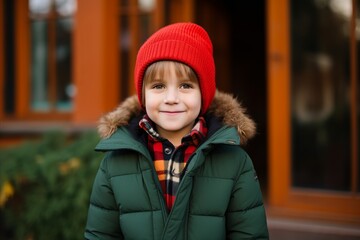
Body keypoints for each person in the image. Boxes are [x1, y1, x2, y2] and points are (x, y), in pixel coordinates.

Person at [84, 22, 269, 240]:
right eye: (158, 86)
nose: (171, 99)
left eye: (185, 86)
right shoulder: (115, 163)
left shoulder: (234, 163)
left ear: (204, 93)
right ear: (143, 94)